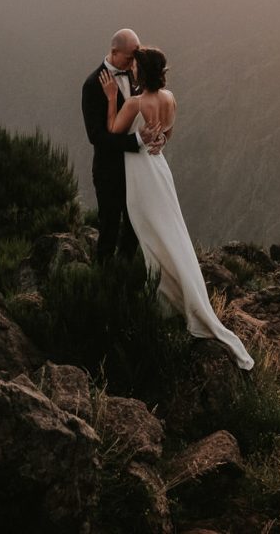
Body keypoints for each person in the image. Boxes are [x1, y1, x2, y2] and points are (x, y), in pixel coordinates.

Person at [99, 46, 254, 370]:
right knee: (169, 230)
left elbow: (113, 132)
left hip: (140, 172)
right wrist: (161, 140)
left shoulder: (135, 103)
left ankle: (163, 295)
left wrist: (111, 96)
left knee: (148, 232)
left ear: (142, 71)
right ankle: (177, 290)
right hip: (160, 169)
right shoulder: (169, 99)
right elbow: (168, 132)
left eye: (136, 67)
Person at [81, 29, 166, 264]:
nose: (132, 65)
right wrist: (137, 141)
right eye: (129, 58)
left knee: (134, 226)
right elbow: (95, 136)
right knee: (108, 226)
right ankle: (104, 279)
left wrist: (160, 138)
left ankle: (125, 272)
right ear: (114, 52)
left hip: (137, 170)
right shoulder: (92, 84)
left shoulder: (135, 75)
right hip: (109, 170)